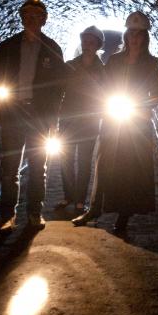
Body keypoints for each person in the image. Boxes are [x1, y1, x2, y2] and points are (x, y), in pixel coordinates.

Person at [72, 11, 158, 233]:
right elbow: (102, 85)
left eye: (139, 34)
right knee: (103, 163)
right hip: (114, 120)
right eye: (131, 33)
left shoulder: (152, 63)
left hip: (137, 124)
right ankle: (94, 209)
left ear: (145, 38)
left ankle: (124, 216)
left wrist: (142, 107)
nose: (135, 38)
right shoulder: (114, 60)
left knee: (130, 170)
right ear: (126, 35)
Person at [0, 0, 65, 231]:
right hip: (13, 113)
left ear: (44, 20)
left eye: (36, 16)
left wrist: (53, 117)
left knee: (39, 167)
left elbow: (60, 86)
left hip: (39, 115)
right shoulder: (7, 47)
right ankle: (7, 216)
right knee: (10, 169)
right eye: (27, 15)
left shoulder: (52, 49)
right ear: (21, 18)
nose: (31, 20)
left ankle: (34, 213)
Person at [55, 26, 105, 213]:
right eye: (85, 41)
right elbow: (59, 90)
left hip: (89, 121)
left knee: (84, 160)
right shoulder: (69, 66)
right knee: (65, 159)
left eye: (91, 42)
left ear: (97, 45)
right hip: (68, 118)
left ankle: (80, 200)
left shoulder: (102, 70)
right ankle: (68, 196)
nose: (87, 45)